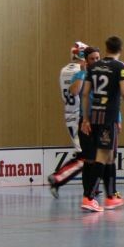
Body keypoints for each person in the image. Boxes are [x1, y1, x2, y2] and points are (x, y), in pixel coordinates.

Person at [80, 36, 124, 213]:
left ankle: (111, 196)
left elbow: (85, 94)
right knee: (102, 155)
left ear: (106, 48)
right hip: (109, 116)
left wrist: (85, 118)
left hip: (95, 115)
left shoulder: (93, 67)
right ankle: (89, 197)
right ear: (120, 49)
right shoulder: (121, 66)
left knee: (110, 155)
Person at [48, 41, 89, 198]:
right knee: (85, 156)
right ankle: (58, 178)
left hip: (69, 114)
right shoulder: (81, 71)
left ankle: (90, 187)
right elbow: (81, 91)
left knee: (86, 154)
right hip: (79, 116)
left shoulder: (64, 70)